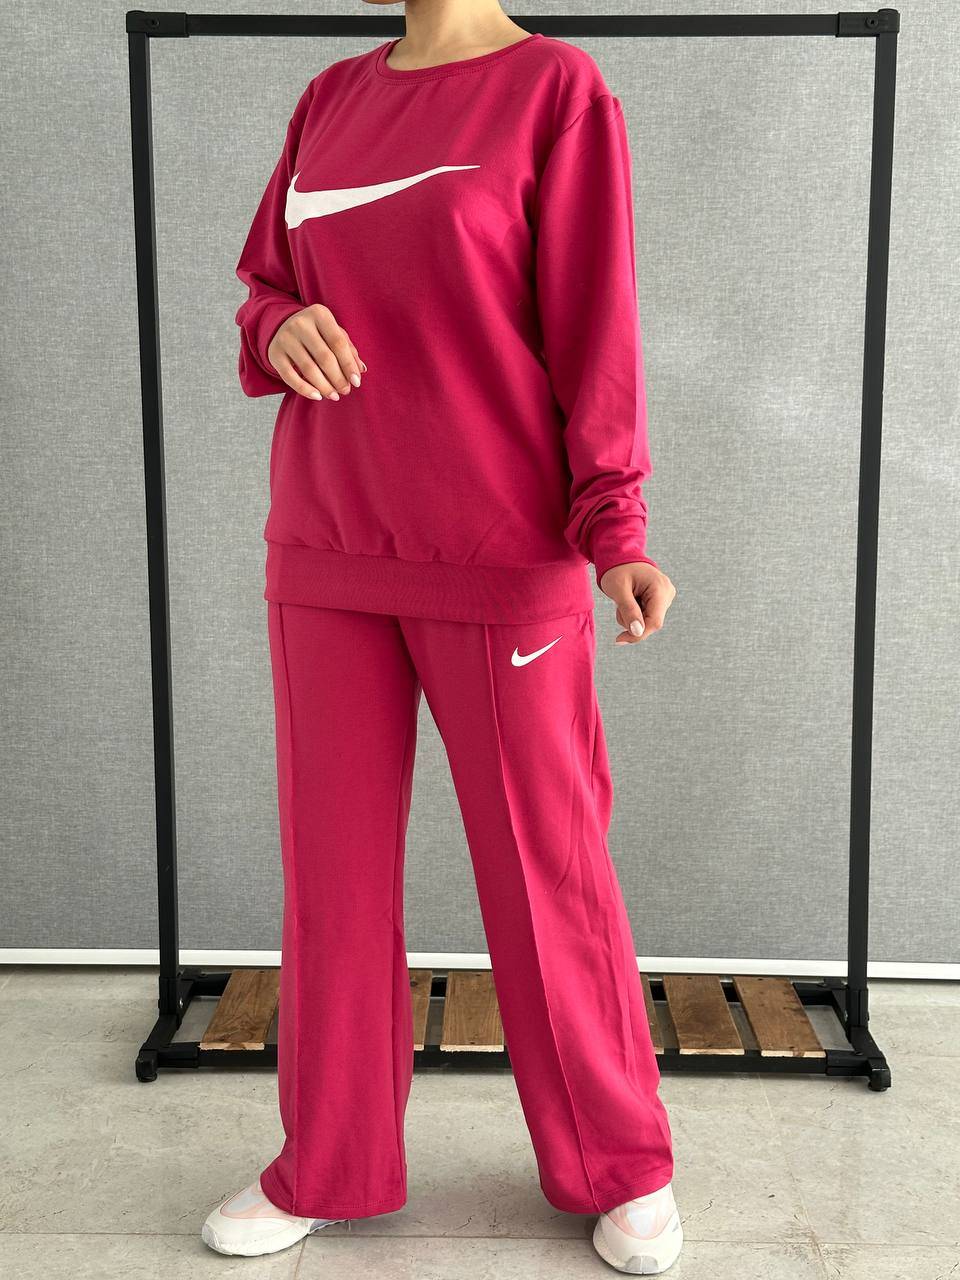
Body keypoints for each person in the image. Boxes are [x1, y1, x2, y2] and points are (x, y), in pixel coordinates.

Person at [202, 1, 681, 1271]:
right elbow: (265, 284)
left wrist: (617, 526)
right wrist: (274, 327)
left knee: (546, 870)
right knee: (333, 881)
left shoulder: (557, 92)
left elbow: (598, 327)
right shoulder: (332, 99)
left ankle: (620, 1161)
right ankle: (328, 1160)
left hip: (499, 550)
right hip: (327, 543)